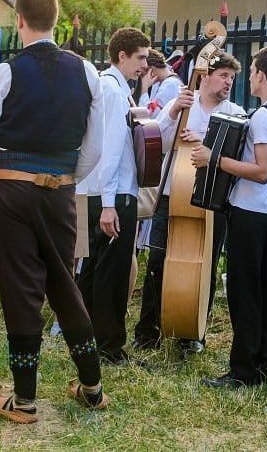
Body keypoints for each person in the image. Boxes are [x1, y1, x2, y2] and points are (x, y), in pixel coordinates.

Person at [0, 0, 107, 423]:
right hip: (61, 188)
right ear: (58, 18)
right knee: (64, 281)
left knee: (21, 287)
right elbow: (95, 150)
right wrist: (64, 178)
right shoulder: (88, 72)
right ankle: (92, 387)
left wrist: (5, 176)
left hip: (10, 188)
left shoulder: (3, 73)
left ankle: (24, 400)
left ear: (19, 19)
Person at [192, 46, 267, 388]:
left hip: (251, 210)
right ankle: (260, 362)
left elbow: (262, 170)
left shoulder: (266, 115)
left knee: (244, 292)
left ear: (262, 76)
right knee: (262, 289)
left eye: (252, 71)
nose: (249, 77)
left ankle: (243, 370)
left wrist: (214, 158)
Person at [132, 51, 246, 354]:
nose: (228, 83)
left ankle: (193, 332)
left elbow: (235, 155)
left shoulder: (235, 111)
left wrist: (203, 141)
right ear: (205, 75)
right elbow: (156, 142)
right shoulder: (181, 102)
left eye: (232, 78)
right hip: (172, 194)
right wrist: (171, 115)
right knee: (158, 261)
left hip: (212, 200)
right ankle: (147, 330)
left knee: (204, 268)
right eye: (223, 75)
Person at [77, 26, 150, 365]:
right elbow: (107, 150)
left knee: (95, 271)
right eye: (140, 58)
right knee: (111, 274)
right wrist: (108, 205)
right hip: (114, 194)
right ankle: (108, 347)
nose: (144, 66)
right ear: (121, 55)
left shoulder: (116, 88)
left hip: (111, 191)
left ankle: (87, 338)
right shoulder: (111, 89)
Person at [138, 49, 181, 117]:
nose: (141, 79)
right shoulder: (167, 82)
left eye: (142, 75)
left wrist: (143, 91)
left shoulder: (170, 84)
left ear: (151, 71)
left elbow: (151, 116)